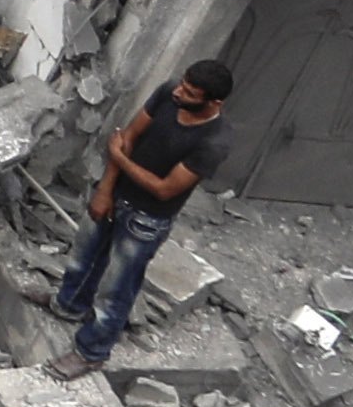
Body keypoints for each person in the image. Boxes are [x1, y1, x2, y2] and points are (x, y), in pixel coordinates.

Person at [54, 61, 232, 360]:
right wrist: (105, 190)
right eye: (182, 84)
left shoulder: (213, 142)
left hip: (146, 220)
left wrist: (119, 159)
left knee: (116, 288)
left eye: (190, 93)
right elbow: (128, 137)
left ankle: (91, 352)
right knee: (83, 256)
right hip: (115, 193)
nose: (179, 92)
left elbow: (164, 189)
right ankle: (68, 306)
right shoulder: (169, 92)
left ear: (213, 103)